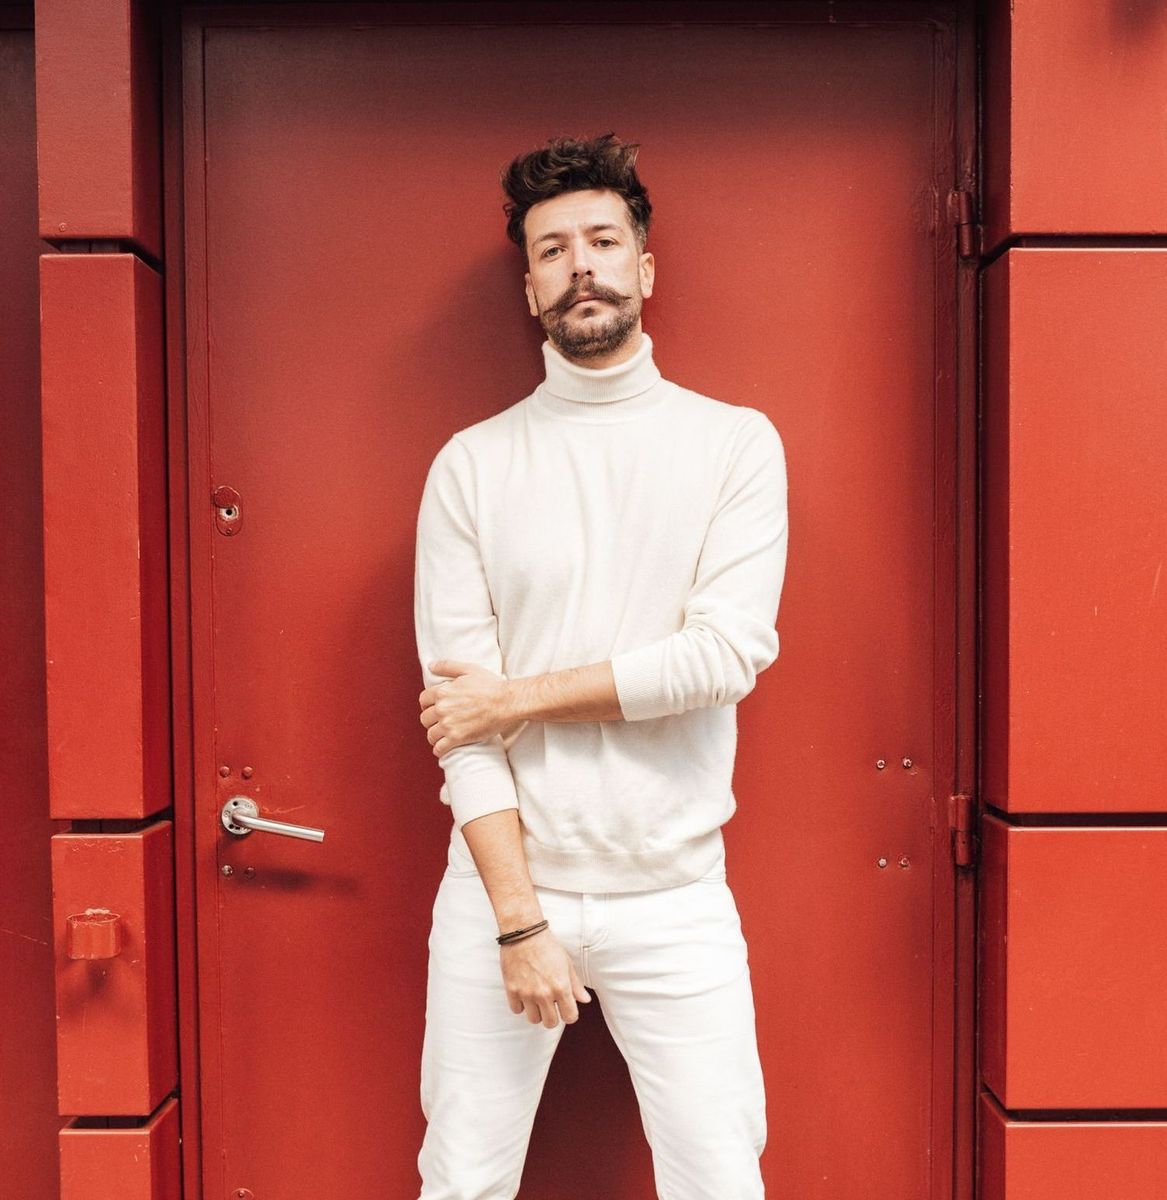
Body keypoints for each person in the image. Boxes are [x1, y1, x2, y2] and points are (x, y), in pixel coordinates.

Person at [412, 132, 789, 1199]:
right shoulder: (473, 467)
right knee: (463, 1182)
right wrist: (522, 921)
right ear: (530, 287)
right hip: (503, 893)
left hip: (675, 895)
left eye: (602, 241)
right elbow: (460, 733)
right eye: (552, 251)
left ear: (643, 268)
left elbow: (722, 658)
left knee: (720, 1180)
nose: (581, 265)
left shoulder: (733, 446)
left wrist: (518, 698)